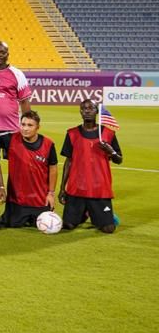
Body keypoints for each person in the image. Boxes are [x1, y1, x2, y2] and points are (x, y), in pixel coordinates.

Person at [59, 99, 121, 233]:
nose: (87, 111)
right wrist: (62, 188)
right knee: (67, 226)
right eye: (83, 108)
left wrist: (111, 152)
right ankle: (86, 213)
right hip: (77, 189)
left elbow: (119, 159)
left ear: (97, 111)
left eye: (91, 108)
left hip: (100, 189)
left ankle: (95, 214)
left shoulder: (108, 133)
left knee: (108, 229)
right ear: (80, 112)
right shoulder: (72, 133)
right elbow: (68, 161)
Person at [0, 109, 58, 228]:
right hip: (17, 201)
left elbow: (53, 168)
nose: (25, 128)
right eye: (23, 124)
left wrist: (51, 193)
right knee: (11, 225)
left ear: (38, 127)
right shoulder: (10, 139)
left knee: (44, 224)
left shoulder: (48, 144)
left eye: (30, 125)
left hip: (40, 200)